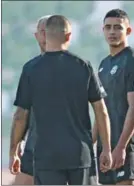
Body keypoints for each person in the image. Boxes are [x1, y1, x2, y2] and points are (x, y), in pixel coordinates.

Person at [9, 15, 112, 185]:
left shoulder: (30, 69)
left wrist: (13, 151)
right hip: (80, 155)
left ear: (46, 36)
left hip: (46, 156)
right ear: (69, 36)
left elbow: (20, 115)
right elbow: (101, 111)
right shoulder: (83, 66)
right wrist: (106, 149)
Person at [96, 9, 134, 185]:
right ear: (102, 30)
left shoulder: (132, 61)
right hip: (105, 148)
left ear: (128, 31)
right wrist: (92, 144)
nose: (112, 32)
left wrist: (121, 147)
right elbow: (100, 110)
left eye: (117, 27)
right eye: (108, 27)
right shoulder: (103, 65)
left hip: (122, 146)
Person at [9, 15, 51, 185]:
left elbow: (21, 114)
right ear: (36, 35)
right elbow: (23, 113)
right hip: (39, 145)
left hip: (43, 148)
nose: (46, 35)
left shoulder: (32, 69)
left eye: (49, 31)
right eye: (42, 31)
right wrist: (19, 142)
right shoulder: (79, 65)